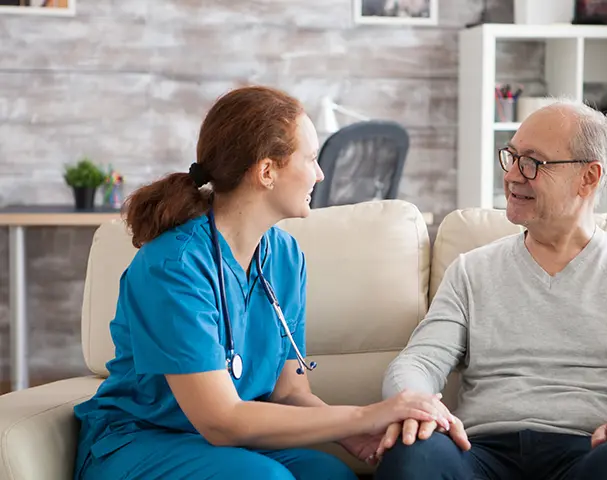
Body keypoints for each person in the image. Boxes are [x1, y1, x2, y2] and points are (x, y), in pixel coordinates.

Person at [71, 85, 453, 480]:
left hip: (229, 445)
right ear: (267, 171)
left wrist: (354, 434)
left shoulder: (285, 257)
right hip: (142, 442)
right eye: (311, 159)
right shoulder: (174, 266)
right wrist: (364, 414)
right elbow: (221, 420)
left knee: (329, 475)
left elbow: (289, 393)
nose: (320, 174)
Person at [372, 99, 607, 480]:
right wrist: (418, 405)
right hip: (481, 454)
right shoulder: (472, 270)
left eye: (533, 162)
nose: (512, 176)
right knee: (413, 452)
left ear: (588, 177)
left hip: (596, 453)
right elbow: (419, 361)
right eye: (512, 156)